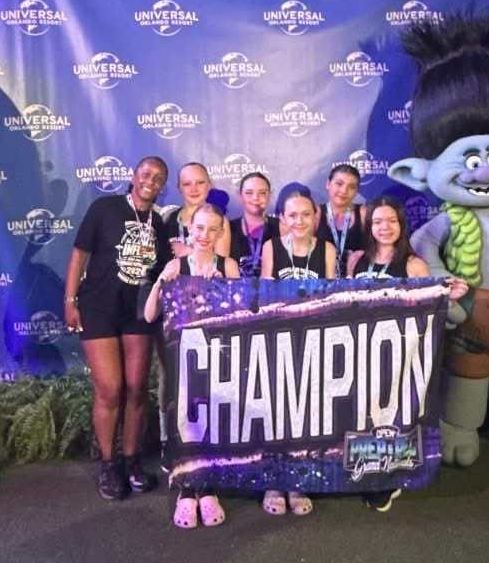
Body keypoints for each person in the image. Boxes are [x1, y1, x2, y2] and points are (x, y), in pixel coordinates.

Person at [346, 196, 469, 511]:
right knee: (363, 415)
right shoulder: (356, 260)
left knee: (391, 417)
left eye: (391, 221)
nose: (384, 227)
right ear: (369, 226)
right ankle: (367, 470)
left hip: (397, 354)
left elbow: (427, 305)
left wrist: (448, 293)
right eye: (377, 221)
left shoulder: (414, 264)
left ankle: (388, 478)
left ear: (401, 225)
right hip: (360, 351)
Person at [63, 156, 171, 500]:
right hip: (98, 307)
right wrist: (70, 300)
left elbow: (164, 270)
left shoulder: (160, 223)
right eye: (146, 174)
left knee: (137, 388)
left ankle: (131, 459)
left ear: (162, 186)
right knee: (110, 389)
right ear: (134, 176)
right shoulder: (105, 208)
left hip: (137, 312)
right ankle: (109, 464)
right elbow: (79, 254)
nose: (150, 181)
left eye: (158, 177)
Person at [143, 203, 238, 528]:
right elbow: (150, 315)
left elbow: (239, 318)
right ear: (189, 229)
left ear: (221, 232)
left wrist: (222, 289)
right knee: (183, 420)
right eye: (199, 228)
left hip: (216, 356)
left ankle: (208, 486)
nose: (205, 235)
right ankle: (185, 489)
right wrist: (161, 282)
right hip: (181, 358)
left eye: (212, 229)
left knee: (211, 420)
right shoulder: (176, 264)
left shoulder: (228, 266)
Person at [258, 191, 336, 515]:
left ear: (315, 217)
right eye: (292, 215)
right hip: (278, 339)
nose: (299, 221)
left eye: (306, 214)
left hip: (313, 339)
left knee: (304, 413)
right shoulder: (271, 247)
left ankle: (297, 479)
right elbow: (264, 294)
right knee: (276, 412)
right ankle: (273, 480)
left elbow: (332, 295)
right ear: (282, 218)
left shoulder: (327, 249)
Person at [163, 162, 232, 259]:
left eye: (200, 182)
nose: (194, 189)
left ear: (209, 184)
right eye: (187, 184)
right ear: (179, 188)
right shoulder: (169, 219)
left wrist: (190, 253)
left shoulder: (220, 221)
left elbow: (222, 264)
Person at [315, 164, 367, 277]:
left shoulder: (363, 213)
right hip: (321, 280)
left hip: (356, 281)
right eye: (339, 184)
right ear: (328, 184)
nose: (344, 191)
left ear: (357, 190)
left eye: (351, 187)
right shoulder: (315, 213)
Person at [229, 173, 281, 278]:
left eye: (262, 193)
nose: (255, 198)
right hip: (236, 288)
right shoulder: (229, 229)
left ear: (269, 196)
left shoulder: (281, 227)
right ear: (240, 196)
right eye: (249, 193)